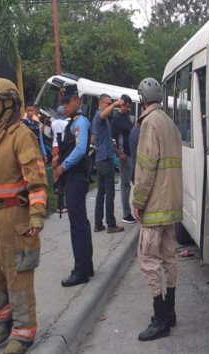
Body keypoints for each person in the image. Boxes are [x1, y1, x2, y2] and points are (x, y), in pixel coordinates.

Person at [0, 78, 47, 354]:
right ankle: (8, 317)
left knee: (18, 276)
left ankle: (25, 332)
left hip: (16, 217)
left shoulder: (21, 135)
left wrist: (37, 216)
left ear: (8, 104)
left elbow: (37, 181)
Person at [132, 77, 182, 341]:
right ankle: (170, 312)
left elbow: (145, 167)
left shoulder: (149, 123)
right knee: (169, 258)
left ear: (142, 99)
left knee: (148, 260)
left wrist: (137, 202)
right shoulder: (170, 123)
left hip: (155, 206)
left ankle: (160, 317)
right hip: (172, 204)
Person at [53, 84, 94, 287]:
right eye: (62, 102)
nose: (64, 106)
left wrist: (63, 167)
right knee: (81, 223)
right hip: (74, 178)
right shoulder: (73, 123)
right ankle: (87, 265)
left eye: (68, 102)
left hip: (75, 178)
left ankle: (81, 271)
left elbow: (79, 150)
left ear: (77, 101)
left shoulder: (80, 123)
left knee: (77, 225)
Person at [92, 94, 124, 234]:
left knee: (101, 192)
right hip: (104, 159)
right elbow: (103, 115)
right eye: (108, 103)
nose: (110, 105)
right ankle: (111, 224)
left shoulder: (101, 120)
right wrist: (115, 104)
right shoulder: (100, 115)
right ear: (101, 103)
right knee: (109, 193)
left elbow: (93, 140)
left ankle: (98, 223)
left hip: (101, 158)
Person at [111, 94, 136, 224]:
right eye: (127, 106)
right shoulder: (116, 120)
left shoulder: (126, 117)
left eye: (130, 107)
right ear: (121, 105)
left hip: (131, 155)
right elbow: (111, 138)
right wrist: (119, 153)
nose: (129, 109)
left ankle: (136, 209)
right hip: (124, 156)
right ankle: (126, 214)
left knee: (136, 182)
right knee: (125, 185)